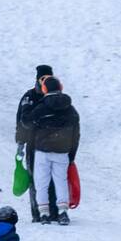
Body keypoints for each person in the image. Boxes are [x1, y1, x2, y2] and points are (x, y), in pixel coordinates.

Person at [27, 76, 80, 225]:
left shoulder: (41, 107)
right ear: (60, 88)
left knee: (41, 183)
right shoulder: (70, 109)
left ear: (44, 89)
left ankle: (44, 213)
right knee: (61, 182)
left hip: (42, 151)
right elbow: (76, 135)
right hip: (62, 152)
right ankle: (63, 212)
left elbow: (28, 123)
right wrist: (71, 155)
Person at [17, 64, 59, 222]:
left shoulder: (57, 98)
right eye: (42, 79)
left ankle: (53, 212)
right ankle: (38, 213)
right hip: (34, 145)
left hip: (54, 144)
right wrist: (21, 142)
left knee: (55, 178)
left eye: (48, 79)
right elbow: (21, 120)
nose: (44, 83)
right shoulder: (29, 97)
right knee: (35, 178)